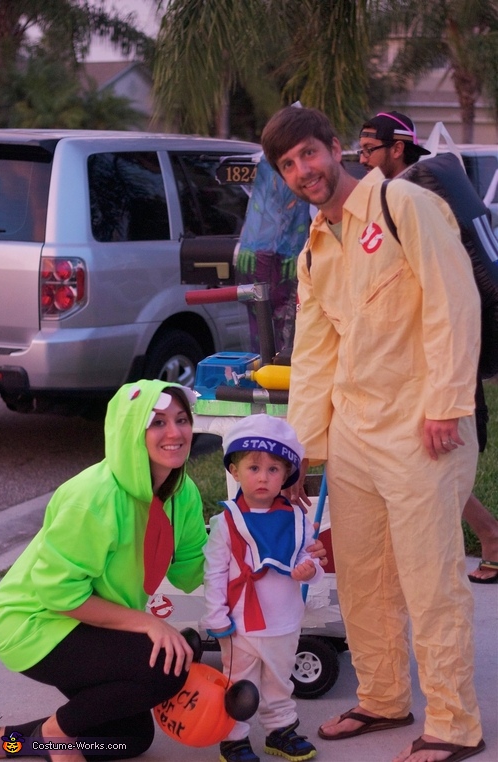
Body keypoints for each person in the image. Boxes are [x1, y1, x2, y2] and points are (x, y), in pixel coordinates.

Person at [261, 106, 485, 762]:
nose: (304, 171)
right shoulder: (314, 251)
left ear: (336, 149)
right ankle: (384, 698)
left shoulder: (403, 205)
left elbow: (454, 301)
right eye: (289, 165)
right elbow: (314, 355)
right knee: (361, 577)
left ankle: (453, 722)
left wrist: (446, 403)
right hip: (355, 436)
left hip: (424, 430)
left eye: (309, 154)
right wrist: (301, 450)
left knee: (428, 576)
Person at [0, 379, 208, 762]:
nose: (174, 432)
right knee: (166, 667)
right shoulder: (92, 497)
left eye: (181, 419)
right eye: (157, 422)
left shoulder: (182, 493)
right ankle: (58, 733)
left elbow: (192, 572)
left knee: (127, 736)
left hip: (87, 618)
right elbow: (59, 595)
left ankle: (8, 742)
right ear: (129, 431)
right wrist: (148, 624)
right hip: (32, 621)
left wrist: (256, 539)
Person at [358, 110, 498, 585]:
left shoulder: (412, 193)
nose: (362, 160)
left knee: (427, 459)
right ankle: (490, 533)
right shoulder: (437, 177)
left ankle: (488, 535)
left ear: (397, 147)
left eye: (368, 150)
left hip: (444, 351)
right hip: (457, 346)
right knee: (426, 458)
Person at [201, 414, 322, 762]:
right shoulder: (226, 521)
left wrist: (308, 570)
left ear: (286, 476)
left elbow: (313, 565)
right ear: (235, 472)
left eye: (273, 469)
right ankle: (234, 737)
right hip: (241, 626)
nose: (264, 477)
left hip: (284, 621)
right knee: (239, 683)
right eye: (254, 468)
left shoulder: (297, 520)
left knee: (280, 681)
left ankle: (280, 730)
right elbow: (215, 572)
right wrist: (216, 615)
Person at [236, 153, 311, 353]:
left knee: (269, 324)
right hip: (272, 253)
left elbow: (264, 204)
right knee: (274, 324)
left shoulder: (274, 161)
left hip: (266, 252)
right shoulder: (280, 162)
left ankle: (269, 368)